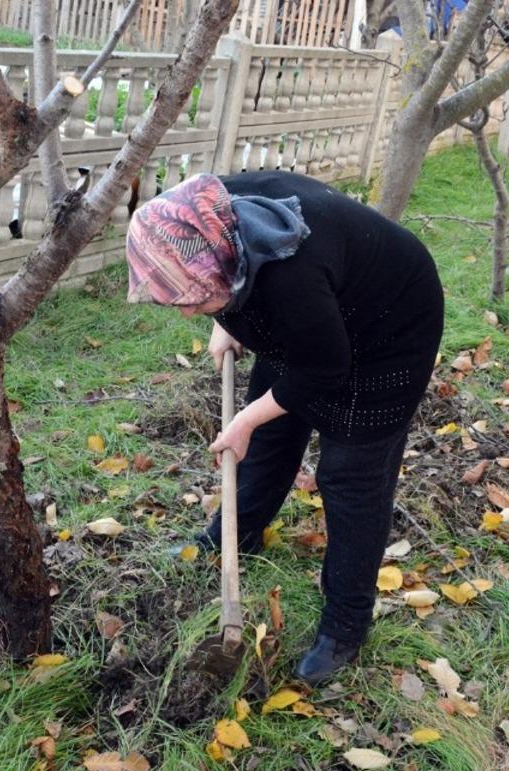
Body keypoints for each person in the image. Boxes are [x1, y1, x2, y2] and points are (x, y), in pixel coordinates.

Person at [126, 171, 443, 685]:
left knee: (350, 478)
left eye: (193, 299)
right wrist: (221, 321)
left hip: (389, 329)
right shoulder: (208, 211)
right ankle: (237, 535)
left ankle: (345, 624)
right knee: (271, 437)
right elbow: (238, 280)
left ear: (224, 265)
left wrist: (245, 420)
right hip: (318, 310)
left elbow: (325, 367)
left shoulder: (292, 278)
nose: (185, 313)